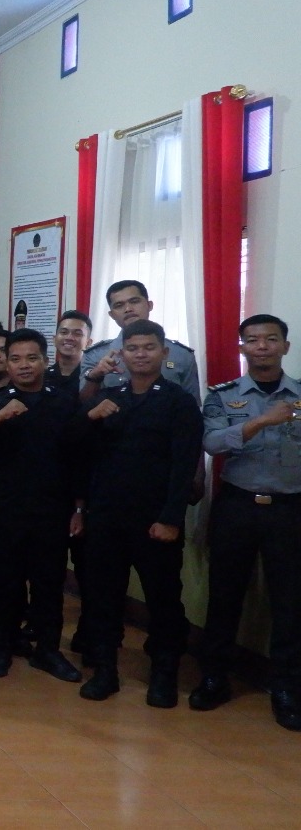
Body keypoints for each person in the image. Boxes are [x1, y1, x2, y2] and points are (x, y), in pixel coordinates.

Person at [77, 320, 201, 706]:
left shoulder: (178, 402)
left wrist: (171, 518)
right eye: (133, 348)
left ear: (164, 353)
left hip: (155, 519)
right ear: (122, 354)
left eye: (149, 347)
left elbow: (184, 465)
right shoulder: (109, 398)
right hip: (107, 517)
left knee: (164, 599)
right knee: (103, 596)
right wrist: (91, 418)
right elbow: (78, 453)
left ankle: (164, 674)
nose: (141, 355)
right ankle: (105, 671)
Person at [192, 314, 301, 730]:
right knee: (225, 595)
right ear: (242, 348)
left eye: (271, 340)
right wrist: (260, 421)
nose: (262, 347)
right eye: (252, 340)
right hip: (238, 506)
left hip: (289, 508)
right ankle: (214, 677)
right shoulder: (223, 396)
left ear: (285, 346)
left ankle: (286, 688)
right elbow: (211, 443)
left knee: (289, 602)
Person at [0, 329, 86, 682]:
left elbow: (80, 457)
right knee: (3, 582)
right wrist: (1, 415)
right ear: (6, 363)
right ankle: (0, 647)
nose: (23, 365)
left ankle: (47, 650)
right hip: (3, 509)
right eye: (15, 359)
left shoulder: (64, 402)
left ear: (46, 361)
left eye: (31, 358)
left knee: (49, 583)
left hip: (52, 509)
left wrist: (79, 507)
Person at [80, 280, 199, 401]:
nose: (128, 309)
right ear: (112, 315)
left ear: (149, 305)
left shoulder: (182, 355)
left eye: (134, 301)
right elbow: (84, 404)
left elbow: (192, 405)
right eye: (119, 305)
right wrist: (95, 377)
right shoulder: (95, 355)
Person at [48, 310, 92, 391]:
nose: (69, 338)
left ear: (88, 343)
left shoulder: (93, 377)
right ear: (54, 339)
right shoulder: (43, 377)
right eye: (64, 332)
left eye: (77, 334)